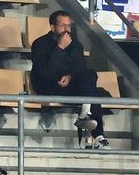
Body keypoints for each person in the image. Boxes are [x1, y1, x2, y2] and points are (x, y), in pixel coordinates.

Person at [29, 12, 111, 148]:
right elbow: (45, 71)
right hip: (47, 85)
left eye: (69, 25)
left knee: (90, 74)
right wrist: (60, 48)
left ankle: (92, 124)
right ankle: (96, 132)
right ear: (52, 27)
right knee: (93, 94)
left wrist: (70, 76)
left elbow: (80, 70)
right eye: (62, 25)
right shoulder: (40, 44)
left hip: (68, 86)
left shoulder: (76, 45)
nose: (67, 29)